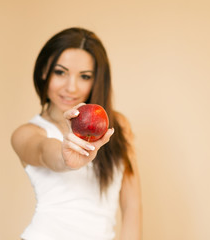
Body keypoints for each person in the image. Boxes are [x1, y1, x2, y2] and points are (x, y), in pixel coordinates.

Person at [11, 27, 142, 240]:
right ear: (44, 71)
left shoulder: (117, 126)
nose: (71, 87)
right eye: (60, 72)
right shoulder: (26, 134)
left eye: (84, 76)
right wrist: (66, 159)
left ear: (96, 80)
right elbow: (45, 152)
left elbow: (132, 206)